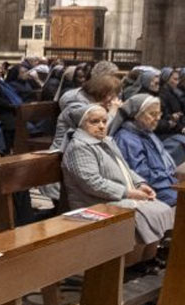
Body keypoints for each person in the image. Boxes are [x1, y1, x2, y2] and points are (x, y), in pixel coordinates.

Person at [61, 104, 174, 261]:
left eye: (104, 121)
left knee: (161, 208)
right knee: (146, 212)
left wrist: (140, 184)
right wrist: (128, 192)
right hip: (95, 201)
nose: (101, 126)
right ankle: (131, 263)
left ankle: (147, 258)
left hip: (116, 196)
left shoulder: (106, 141)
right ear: (81, 124)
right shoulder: (79, 147)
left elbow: (125, 168)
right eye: (94, 121)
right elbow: (92, 183)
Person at [112, 95, 180, 207]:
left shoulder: (145, 130)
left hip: (165, 182)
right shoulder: (127, 139)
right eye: (153, 114)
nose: (158, 118)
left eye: (159, 113)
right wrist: (168, 179)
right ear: (136, 115)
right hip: (152, 189)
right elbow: (141, 174)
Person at [51, 75, 122, 150]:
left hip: (86, 147)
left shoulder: (95, 101)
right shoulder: (75, 103)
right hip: (64, 150)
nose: (113, 99)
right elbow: (97, 130)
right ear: (102, 92)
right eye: (111, 95)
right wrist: (112, 112)